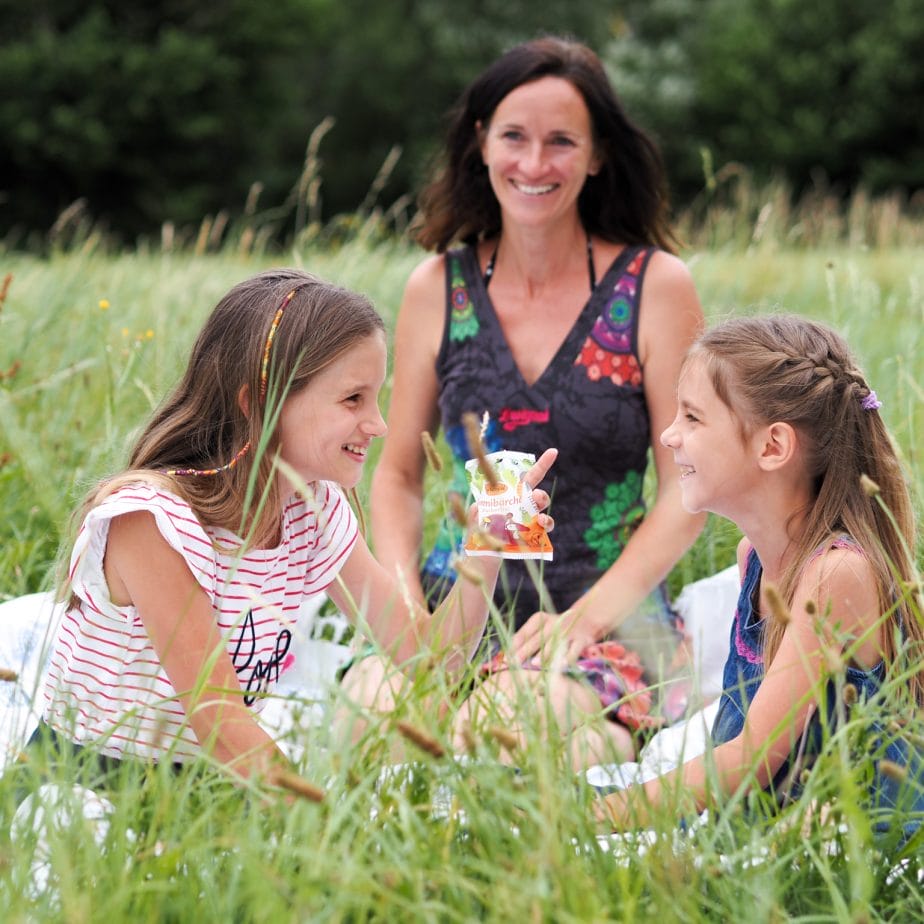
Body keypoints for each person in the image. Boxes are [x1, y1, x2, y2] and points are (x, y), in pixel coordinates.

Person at [28, 269, 556, 785]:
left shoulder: (312, 509)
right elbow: (220, 721)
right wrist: (319, 826)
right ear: (261, 403)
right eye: (353, 398)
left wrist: (485, 548)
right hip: (95, 784)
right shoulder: (150, 520)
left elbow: (429, 662)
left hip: (211, 784)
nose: (379, 424)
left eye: (376, 397)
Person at [364, 36, 705, 766]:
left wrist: (584, 620)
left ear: (598, 154)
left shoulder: (656, 286)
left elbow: (689, 489)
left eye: (561, 142)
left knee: (504, 731)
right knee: (368, 719)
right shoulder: (437, 288)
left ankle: (603, 737)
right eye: (515, 137)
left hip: (604, 605)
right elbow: (397, 475)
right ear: (482, 142)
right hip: (459, 597)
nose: (534, 164)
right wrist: (402, 604)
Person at [600, 314, 924, 837]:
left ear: (772, 446)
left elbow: (748, 759)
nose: (668, 434)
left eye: (693, 418)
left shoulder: (837, 573)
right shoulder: (753, 558)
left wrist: (592, 819)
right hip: (763, 827)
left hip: (847, 848)